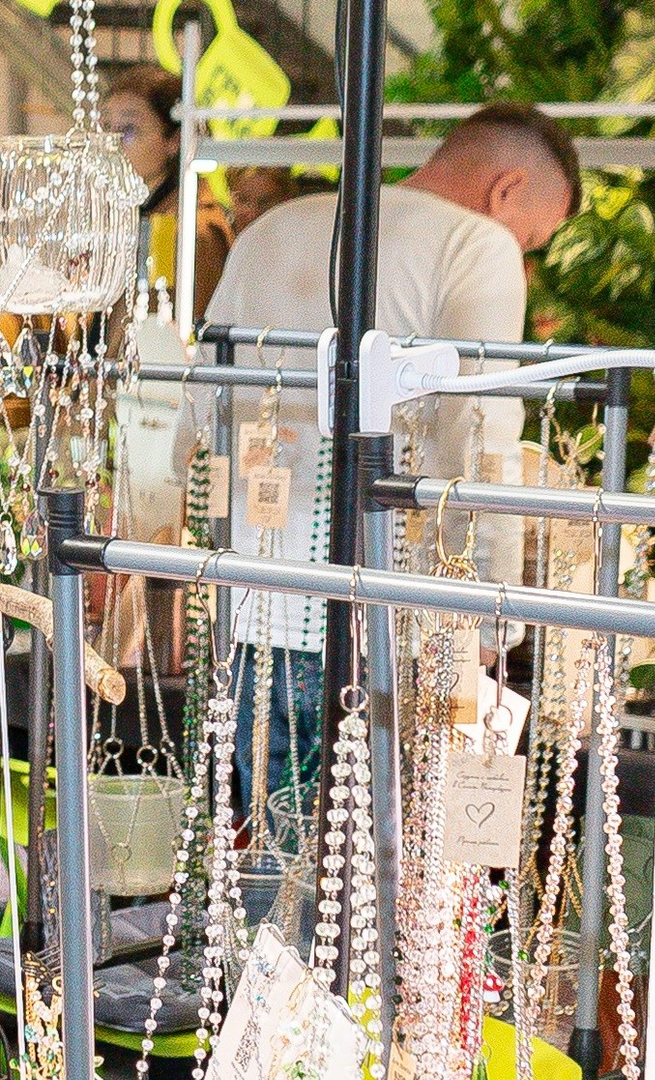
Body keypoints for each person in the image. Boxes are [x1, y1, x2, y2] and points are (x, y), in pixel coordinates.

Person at [192, 103, 581, 830]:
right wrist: (496, 618)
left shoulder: (273, 229)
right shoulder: (476, 246)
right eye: (535, 235)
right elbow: (482, 437)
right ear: (507, 190)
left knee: (279, 888)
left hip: (251, 612)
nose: (524, 253)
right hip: (393, 624)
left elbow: (200, 411)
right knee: (389, 900)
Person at [101, 67, 230, 321]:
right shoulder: (134, 212)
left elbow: (189, 335)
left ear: (173, 141)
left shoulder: (194, 229)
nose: (111, 144)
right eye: (106, 127)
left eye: (128, 130)